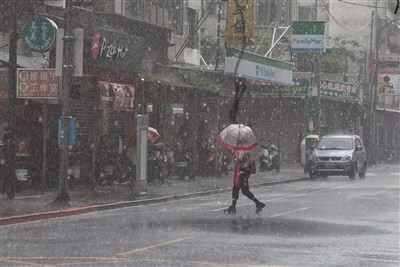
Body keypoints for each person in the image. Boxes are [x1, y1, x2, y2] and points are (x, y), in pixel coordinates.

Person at [224, 150, 265, 215]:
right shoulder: (241, 151)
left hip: (242, 176)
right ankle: (233, 207)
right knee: (239, 190)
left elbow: (244, 164)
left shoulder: (243, 152)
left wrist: (237, 160)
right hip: (241, 175)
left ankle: (258, 204)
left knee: (242, 190)